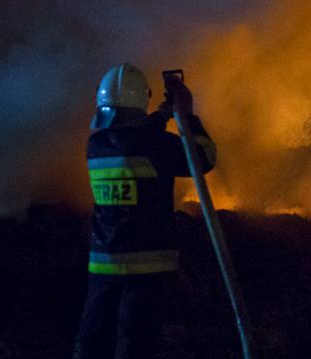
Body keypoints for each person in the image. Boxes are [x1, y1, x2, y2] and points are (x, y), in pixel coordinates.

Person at [73, 63, 216, 359]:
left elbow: (135, 139)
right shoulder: (158, 146)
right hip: (148, 268)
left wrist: (163, 115)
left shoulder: (96, 145)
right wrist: (186, 113)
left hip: (104, 265)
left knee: (93, 341)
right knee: (135, 345)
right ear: (142, 99)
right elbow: (204, 157)